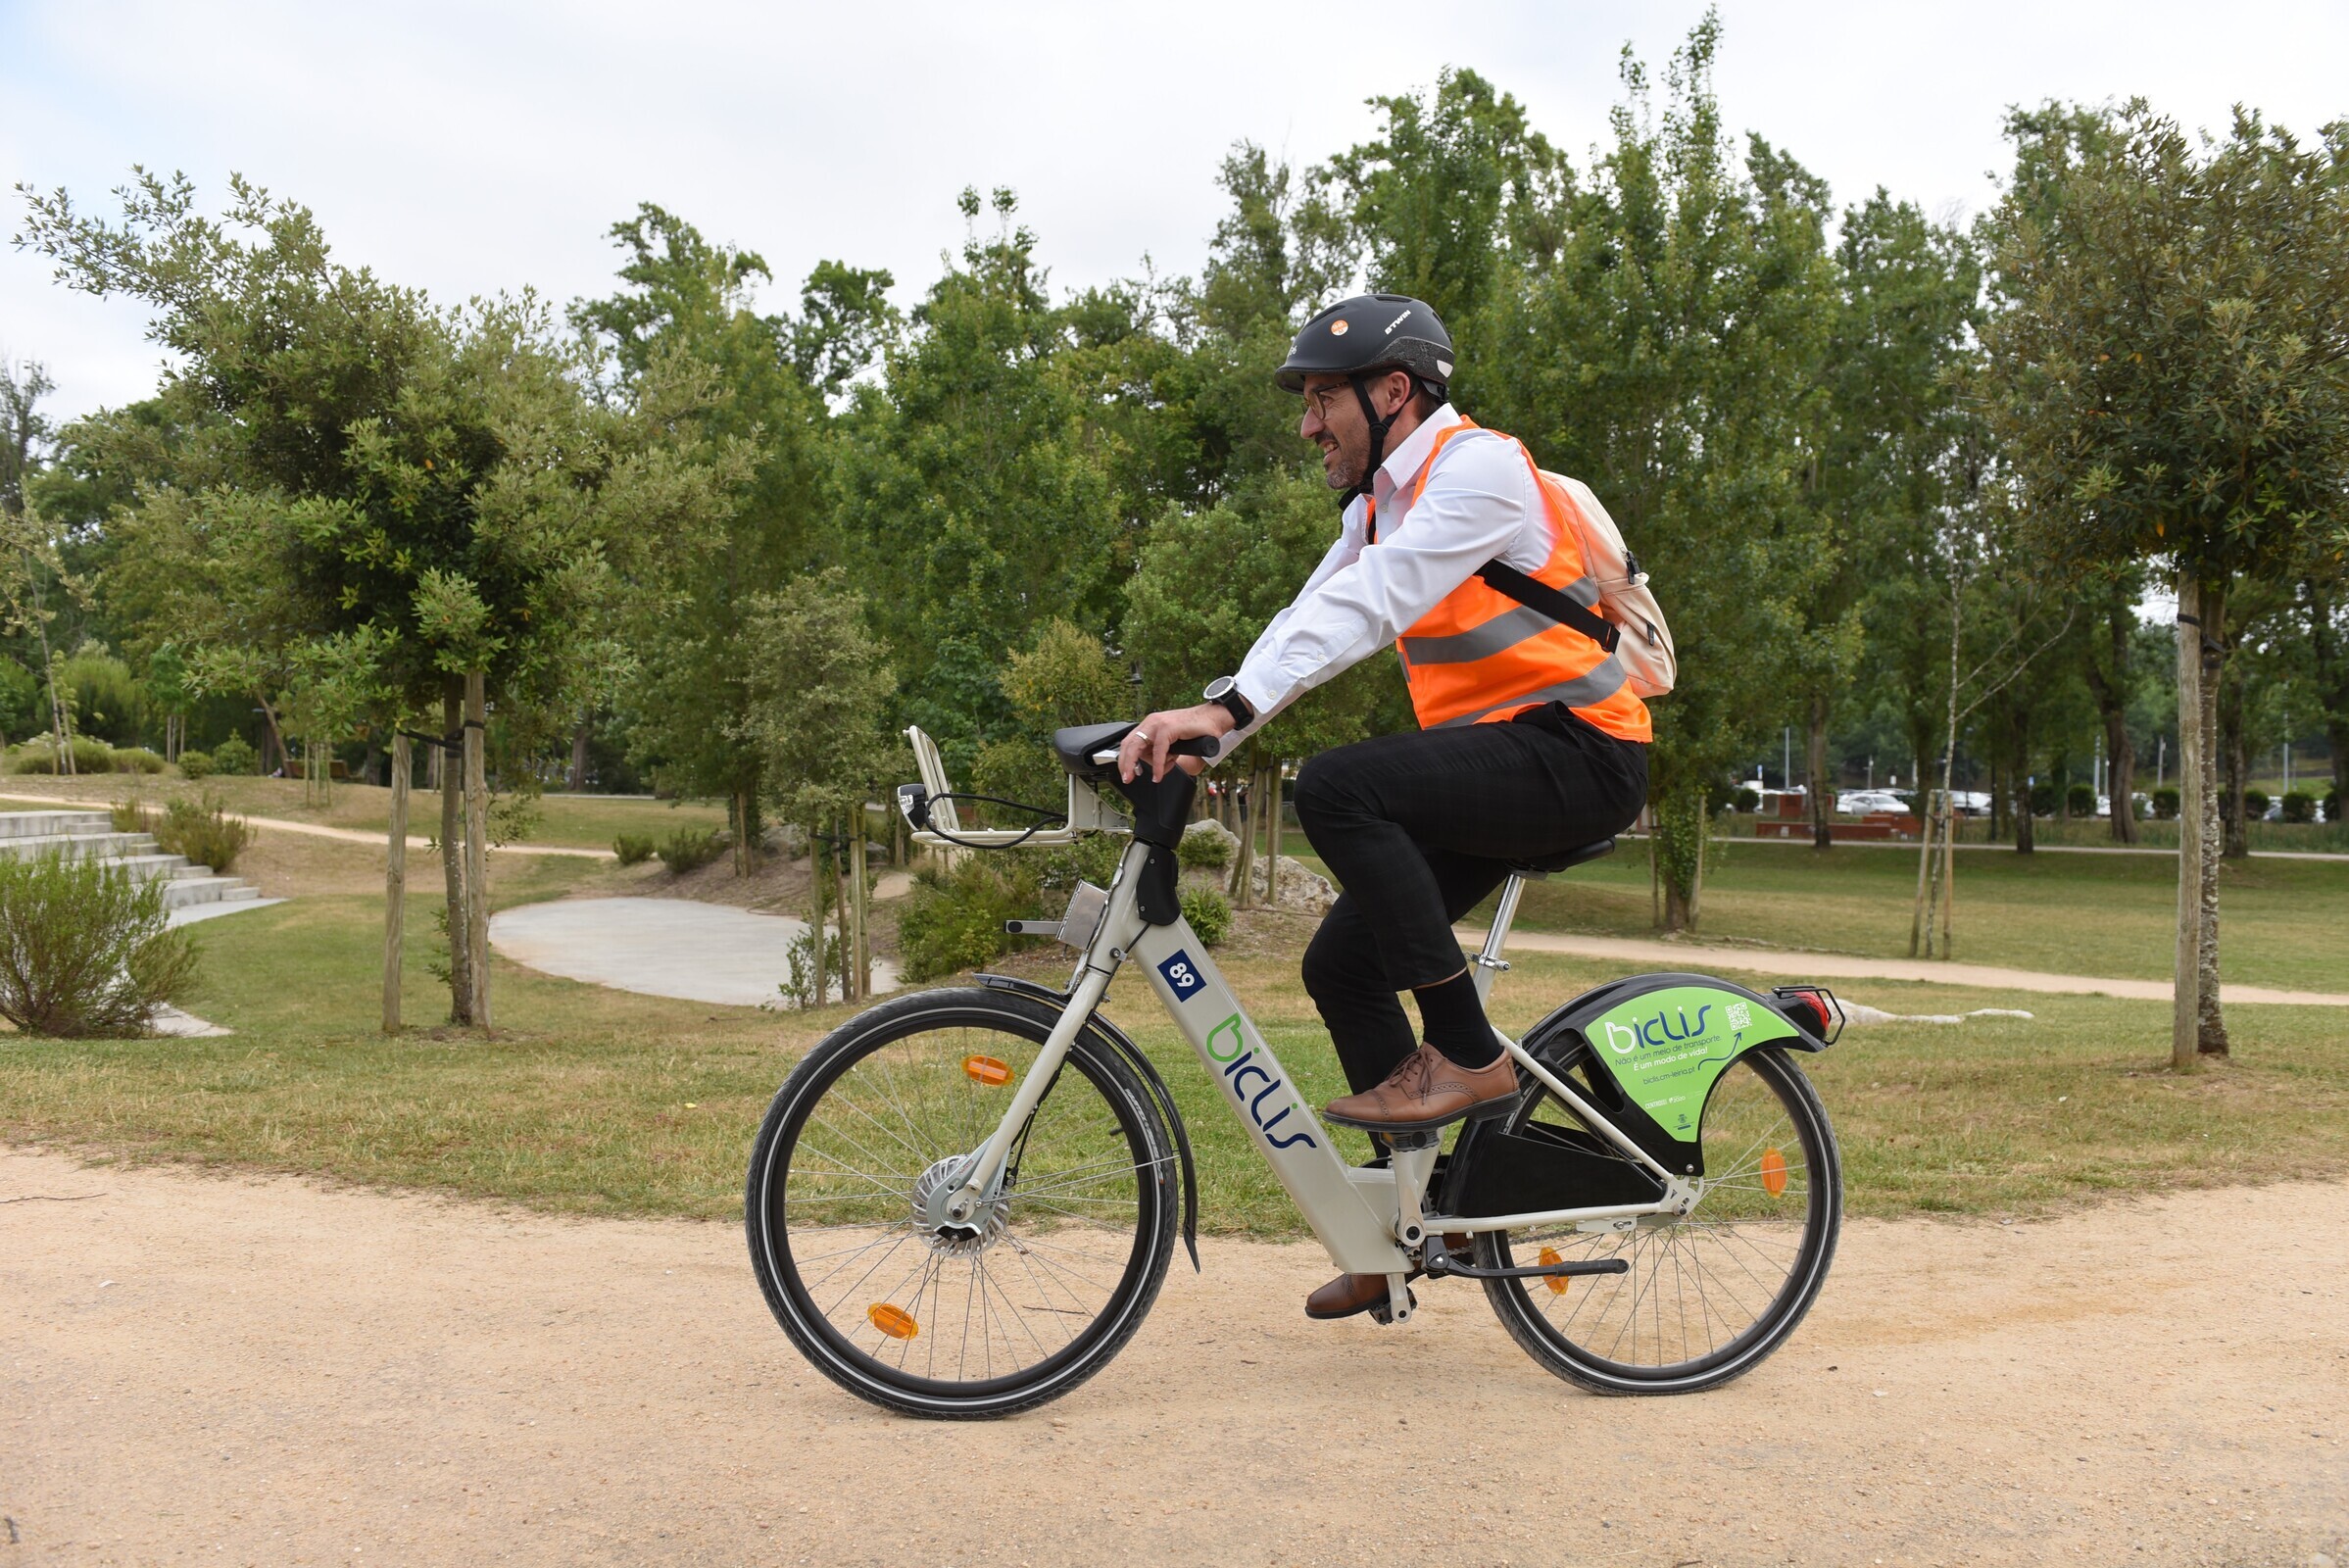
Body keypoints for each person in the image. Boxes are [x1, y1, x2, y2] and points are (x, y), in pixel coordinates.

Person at [1116, 292, 1651, 1320]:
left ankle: (1467, 1052)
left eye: (1323, 399)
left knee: (1339, 787)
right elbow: (1308, 622)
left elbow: (1376, 603)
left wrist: (1224, 710)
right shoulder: (1378, 507)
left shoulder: (1480, 472)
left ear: (1393, 391)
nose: (1308, 424)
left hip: (1583, 754)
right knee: (1341, 964)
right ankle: (1398, 1224)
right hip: (1504, 758)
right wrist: (1209, 728)